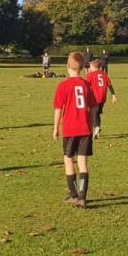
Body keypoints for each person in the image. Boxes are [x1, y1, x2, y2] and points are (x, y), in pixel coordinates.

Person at [52, 51, 94, 208]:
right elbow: (93, 107)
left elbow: (58, 109)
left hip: (70, 129)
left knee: (68, 159)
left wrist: (55, 127)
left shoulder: (63, 86)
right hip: (85, 129)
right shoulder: (87, 85)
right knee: (82, 162)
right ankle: (82, 197)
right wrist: (92, 125)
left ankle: (73, 193)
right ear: (82, 67)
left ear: (68, 65)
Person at [87, 58, 116, 139]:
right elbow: (110, 85)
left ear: (93, 67)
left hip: (94, 97)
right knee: (97, 114)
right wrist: (113, 94)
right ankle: (96, 131)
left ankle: (96, 128)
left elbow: (86, 86)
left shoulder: (90, 75)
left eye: (90, 66)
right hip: (102, 98)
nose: (89, 68)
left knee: (93, 114)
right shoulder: (104, 74)